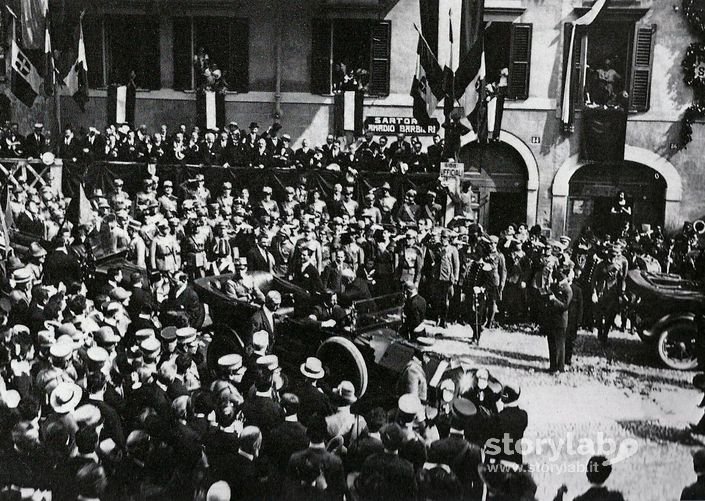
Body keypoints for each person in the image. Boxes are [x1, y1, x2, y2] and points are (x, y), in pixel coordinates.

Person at [541, 260, 573, 373]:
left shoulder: (568, 290)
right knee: (552, 344)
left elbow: (565, 306)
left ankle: (560, 367)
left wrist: (554, 300)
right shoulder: (555, 286)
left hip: (561, 321)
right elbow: (546, 291)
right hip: (552, 319)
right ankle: (553, 366)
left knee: (560, 345)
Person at [555, 455, 625, 501]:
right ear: (607, 474)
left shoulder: (580, 500)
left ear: (588, 474)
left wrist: (559, 494)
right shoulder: (616, 497)